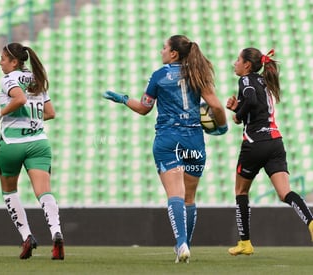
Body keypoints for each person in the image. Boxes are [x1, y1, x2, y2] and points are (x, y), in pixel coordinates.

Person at [103, 35, 228, 263]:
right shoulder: (198, 75)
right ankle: (185, 244)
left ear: (173, 54)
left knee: (175, 194)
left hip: (168, 140)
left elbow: (143, 108)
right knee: (189, 197)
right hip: (194, 141)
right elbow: (217, 106)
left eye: (164, 48)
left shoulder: (159, 76)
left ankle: (181, 243)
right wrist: (221, 128)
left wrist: (122, 99)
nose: (161, 51)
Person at [226, 48, 313, 256]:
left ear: (247, 65)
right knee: (285, 193)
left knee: (241, 191)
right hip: (275, 141)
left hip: (255, 142)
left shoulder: (246, 80)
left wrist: (237, 115)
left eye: (238, 60)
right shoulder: (265, 81)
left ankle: (245, 242)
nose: (235, 63)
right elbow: (256, 107)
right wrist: (239, 108)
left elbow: (251, 101)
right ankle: (311, 222)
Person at [0, 42, 64, 260]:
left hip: (12, 144)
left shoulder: (8, 79)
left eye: (3, 59)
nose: (0, 62)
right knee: (44, 192)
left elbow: (19, 98)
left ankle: (27, 236)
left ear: (14, 61)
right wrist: (29, 118)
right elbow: (50, 113)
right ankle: (56, 232)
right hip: (39, 142)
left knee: (9, 191)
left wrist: (0, 114)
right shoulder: (36, 79)